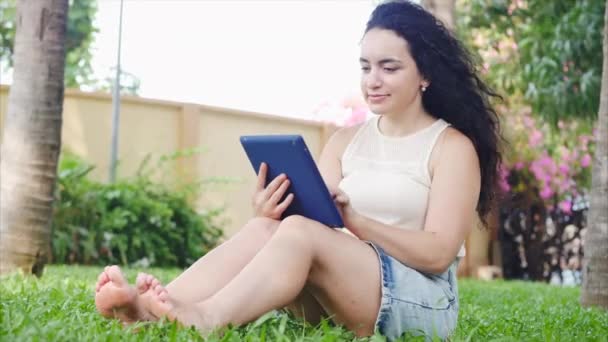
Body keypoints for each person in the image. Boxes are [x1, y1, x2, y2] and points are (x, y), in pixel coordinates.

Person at [94, 0, 502, 340]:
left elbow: (438, 254)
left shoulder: (451, 147)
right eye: (365, 67)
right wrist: (271, 209)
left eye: (389, 68)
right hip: (342, 289)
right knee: (270, 228)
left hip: (422, 301)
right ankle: (153, 308)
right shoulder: (346, 141)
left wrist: (358, 222)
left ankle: (204, 319)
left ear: (425, 74)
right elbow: (312, 220)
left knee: (301, 233)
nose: (373, 80)